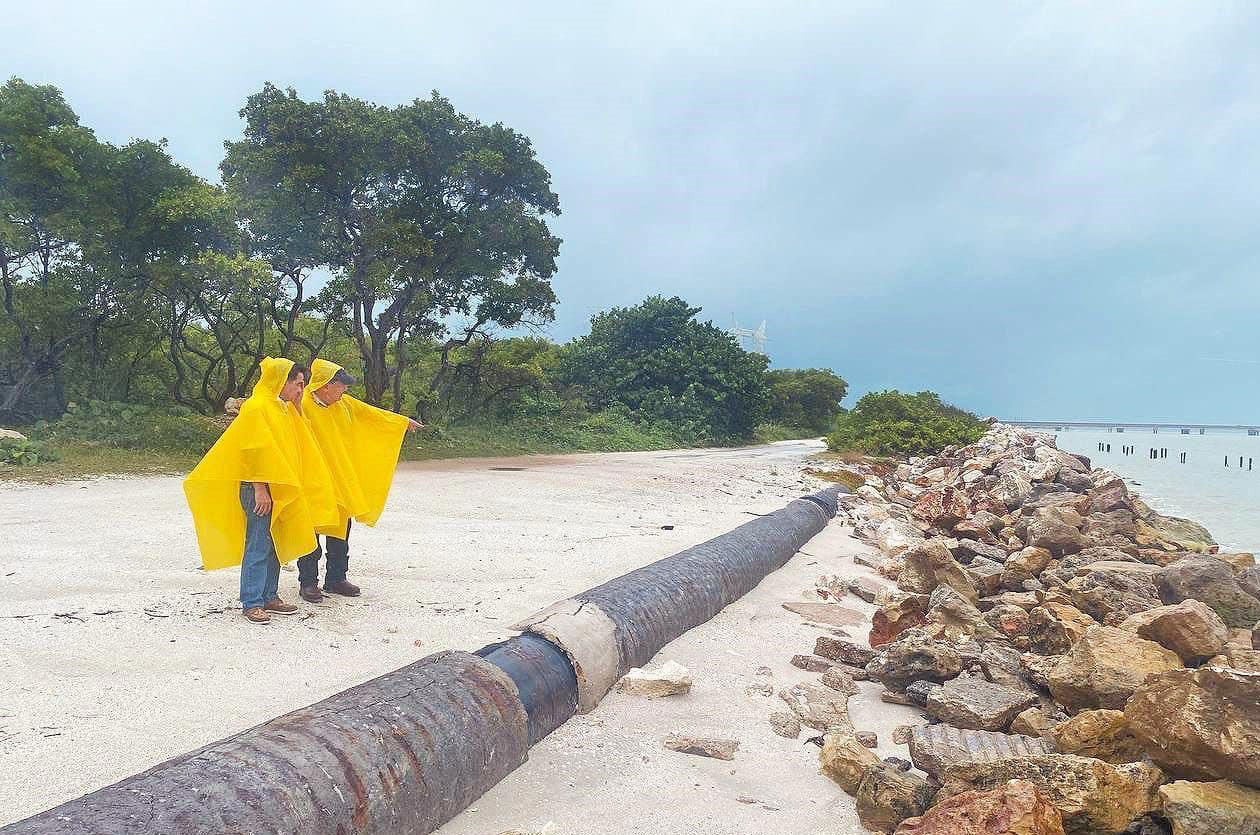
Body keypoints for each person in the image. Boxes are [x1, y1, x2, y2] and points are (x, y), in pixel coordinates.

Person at [184, 358, 338, 624]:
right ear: (282, 381)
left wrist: (298, 406)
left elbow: (303, 437)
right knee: (258, 543)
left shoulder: (282, 407)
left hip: (278, 486)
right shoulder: (256, 407)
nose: (301, 390)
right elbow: (251, 450)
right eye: (298, 384)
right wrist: (259, 489)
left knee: (275, 543)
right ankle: (252, 601)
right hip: (259, 487)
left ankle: (269, 596)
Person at [297, 358, 422, 601]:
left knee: (340, 531)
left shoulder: (344, 403)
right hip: (313, 481)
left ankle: (336, 579)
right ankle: (308, 582)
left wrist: (402, 422)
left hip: (340, 478)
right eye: (341, 385)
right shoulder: (302, 404)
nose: (345, 390)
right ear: (325, 385)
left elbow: (371, 414)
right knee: (311, 532)